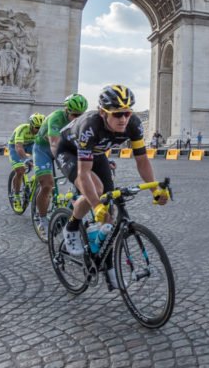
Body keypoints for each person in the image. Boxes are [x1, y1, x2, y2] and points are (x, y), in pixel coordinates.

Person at [57, 85, 169, 288]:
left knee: (108, 216)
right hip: (69, 151)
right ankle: (72, 225)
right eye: (117, 114)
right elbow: (83, 175)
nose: (123, 119)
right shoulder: (90, 126)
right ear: (103, 112)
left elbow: (142, 161)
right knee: (97, 191)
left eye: (127, 113)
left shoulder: (133, 124)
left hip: (97, 153)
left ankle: (109, 269)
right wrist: (95, 205)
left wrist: (155, 190)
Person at [30, 94, 88, 236]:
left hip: (64, 147)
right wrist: (66, 165)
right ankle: (42, 219)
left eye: (80, 116)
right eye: (74, 115)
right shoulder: (56, 117)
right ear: (67, 111)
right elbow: (55, 144)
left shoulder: (82, 121)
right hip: (43, 149)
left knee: (83, 178)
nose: (77, 119)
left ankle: (73, 212)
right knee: (47, 185)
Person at [8, 112, 44, 211]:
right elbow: (19, 147)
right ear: (31, 125)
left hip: (30, 145)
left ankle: (32, 181)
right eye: (37, 127)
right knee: (20, 170)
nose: (38, 130)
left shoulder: (42, 131)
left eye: (41, 127)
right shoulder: (22, 129)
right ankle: (16, 196)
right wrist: (26, 159)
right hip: (15, 146)